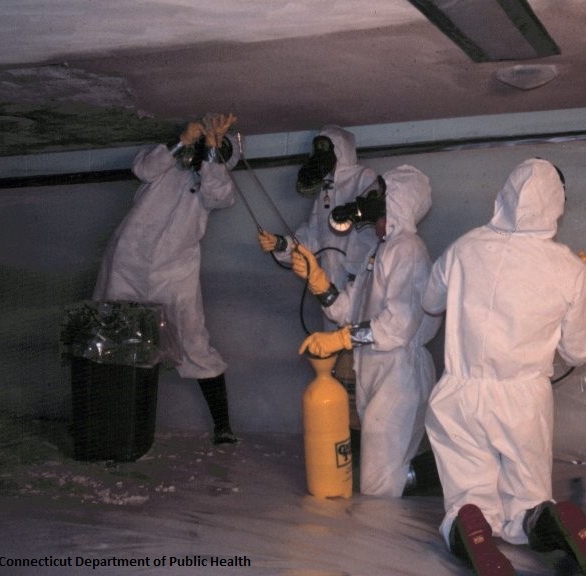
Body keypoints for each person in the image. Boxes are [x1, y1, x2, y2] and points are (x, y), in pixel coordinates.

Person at [421, 159, 586, 575]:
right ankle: (541, 518)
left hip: (460, 393)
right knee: (526, 497)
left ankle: (471, 525)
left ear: (503, 197)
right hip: (524, 401)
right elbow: (580, 350)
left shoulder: (464, 247)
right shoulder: (569, 269)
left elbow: (428, 302)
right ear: (557, 207)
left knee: (467, 494)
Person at [291, 165, 441, 497]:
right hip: (372, 369)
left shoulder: (408, 250)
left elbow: (398, 326)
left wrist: (341, 339)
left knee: (379, 486)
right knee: (378, 475)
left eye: (380, 197)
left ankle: (447, 473)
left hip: (399, 374)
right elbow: (347, 309)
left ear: (399, 202)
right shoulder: (379, 250)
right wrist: (316, 280)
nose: (371, 204)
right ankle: (444, 468)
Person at [93, 112, 240, 445]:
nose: (202, 153)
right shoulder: (165, 168)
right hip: (127, 263)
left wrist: (213, 149)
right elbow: (141, 168)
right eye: (203, 146)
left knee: (193, 343)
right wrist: (181, 142)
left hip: (176, 272)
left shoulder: (210, 182)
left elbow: (221, 195)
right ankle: (109, 419)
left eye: (212, 150)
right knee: (116, 341)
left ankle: (223, 427)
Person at [258, 125, 379, 321]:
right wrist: (282, 244)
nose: (321, 155)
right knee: (332, 339)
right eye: (318, 149)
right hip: (328, 284)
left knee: (360, 339)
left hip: (358, 282)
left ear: (339, 150)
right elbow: (312, 238)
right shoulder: (325, 190)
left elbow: (375, 226)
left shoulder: (364, 178)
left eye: (326, 148)